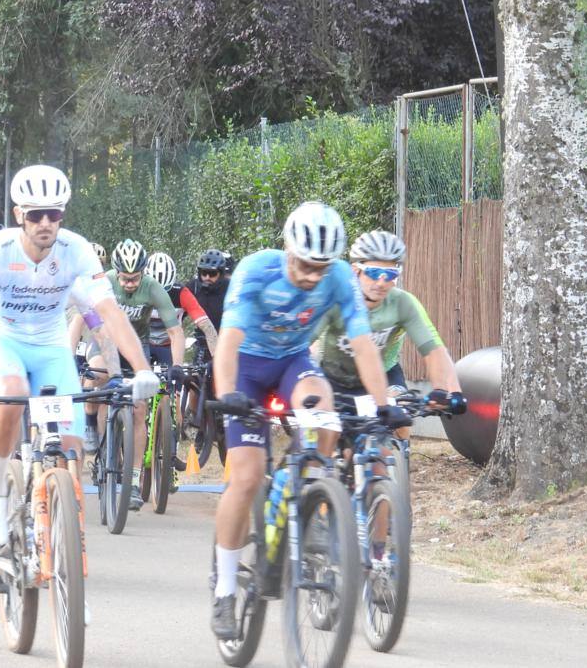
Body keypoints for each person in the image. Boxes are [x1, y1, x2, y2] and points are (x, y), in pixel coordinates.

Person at [209, 202, 409, 640]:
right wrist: (228, 398)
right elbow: (228, 342)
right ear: (287, 248)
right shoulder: (256, 271)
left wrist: (382, 405)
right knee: (246, 477)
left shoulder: (339, 278)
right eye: (305, 264)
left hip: (292, 362)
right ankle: (224, 588)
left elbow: (362, 343)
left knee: (327, 418)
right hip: (246, 369)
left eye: (322, 266)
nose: (313, 276)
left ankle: (314, 491)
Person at [0, 165, 159, 548]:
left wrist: (141, 370)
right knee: (12, 393)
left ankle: (65, 552)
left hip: (50, 345)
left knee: (71, 448)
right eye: (35, 214)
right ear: (18, 216)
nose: (45, 223)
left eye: (53, 214)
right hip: (2, 338)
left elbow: (109, 313)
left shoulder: (76, 250)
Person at [69, 237, 182, 510]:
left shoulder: (153, 288)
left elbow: (175, 331)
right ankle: (89, 422)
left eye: (135, 278)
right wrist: (70, 356)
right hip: (105, 340)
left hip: (135, 344)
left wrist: (176, 366)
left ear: (143, 272)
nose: (130, 283)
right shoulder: (103, 281)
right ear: (116, 273)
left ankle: (131, 482)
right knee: (97, 375)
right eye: (125, 278)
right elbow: (79, 319)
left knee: (140, 407)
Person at [314, 229, 466, 430]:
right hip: (333, 376)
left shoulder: (402, 303)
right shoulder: (336, 299)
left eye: (391, 275)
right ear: (354, 271)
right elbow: (309, 343)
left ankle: (399, 458)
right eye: (374, 273)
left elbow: (434, 349)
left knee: (398, 425)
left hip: (383, 373)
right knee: (326, 437)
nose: (382, 282)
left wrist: (447, 390)